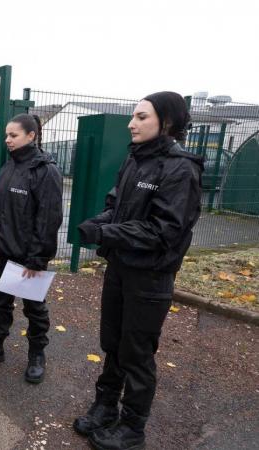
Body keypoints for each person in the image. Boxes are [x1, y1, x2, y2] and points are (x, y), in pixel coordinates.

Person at [73, 92, 203, 450]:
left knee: (136, 352)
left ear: (168, 122)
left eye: (142, 117)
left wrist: (106, 232)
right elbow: (115, 206)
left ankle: (132, 429)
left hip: (150, 277)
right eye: (133, 116)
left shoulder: (181, 169)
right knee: (112, 343)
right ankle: (105, 407)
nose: (132, 123)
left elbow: (165, 230)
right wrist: (97, 223)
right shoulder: (135, 159)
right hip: (120, 268)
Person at [0, 114, 63, 384]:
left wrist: (37, 258)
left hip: (28, 258)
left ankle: (37, 356)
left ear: (31, 136)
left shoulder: (45, 171)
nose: (7, 139)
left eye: (13, 135)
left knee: (34, 309)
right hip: (3, 252)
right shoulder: (9, 167)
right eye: (6, 135)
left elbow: (48, 219)